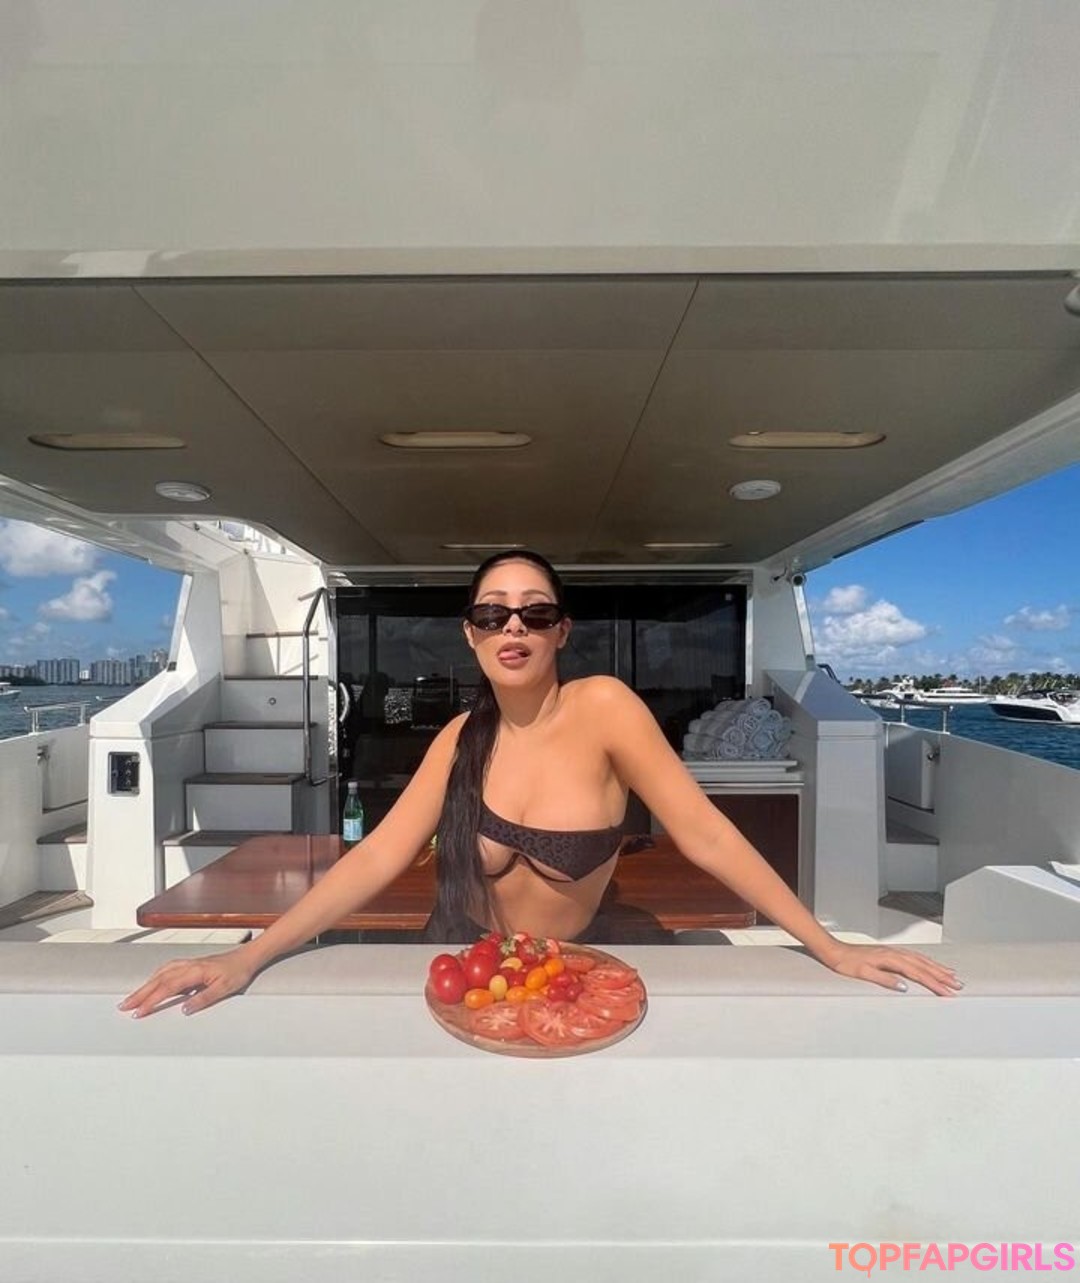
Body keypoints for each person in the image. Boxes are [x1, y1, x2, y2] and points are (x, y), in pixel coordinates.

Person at [120, 549, 962, 1018]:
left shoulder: (607, 708)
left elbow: (705, 833)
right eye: (493, 613)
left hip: (571, 969)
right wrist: (249, 955)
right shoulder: (460, 739)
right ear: (472, 634)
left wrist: (829, 945)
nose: (512, 625)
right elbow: (374, 857)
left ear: (561, 630)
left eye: (534, 611)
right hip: (469, 965)